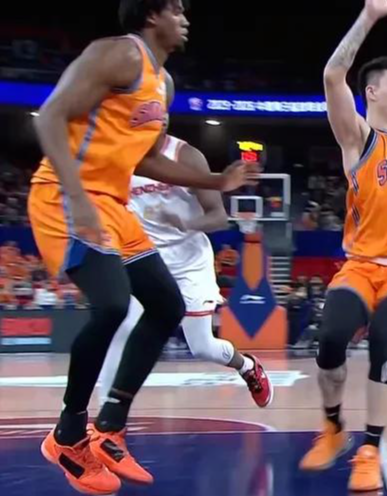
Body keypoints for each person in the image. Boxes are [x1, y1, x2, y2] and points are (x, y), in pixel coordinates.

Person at [29, 1, 253, 494]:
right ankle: (67, 435)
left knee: (166, 305)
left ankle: (109, 428)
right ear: (152, 16)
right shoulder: (117, 54)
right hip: (64, 195)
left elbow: (147, 159)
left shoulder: (162, 82)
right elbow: (49, 119)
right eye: (176, 9)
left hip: (112, 204)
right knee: (112, 306)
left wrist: (216, 179)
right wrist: (78, 199)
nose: (186, 18)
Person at [299, 0, 387, 492]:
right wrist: (369, 16)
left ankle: (370, 449)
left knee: (384, 339)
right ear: (372, 93)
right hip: (361, 264)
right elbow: (331, 75)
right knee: (330, 338)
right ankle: (333, 427)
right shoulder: (358, 138)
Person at [97, 135, 273, 410]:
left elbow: (218, 217)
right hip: (146, 258)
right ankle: (104, 417)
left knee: (201, 346)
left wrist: (186, 223)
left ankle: (247, 366)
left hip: (189, 262)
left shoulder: (186, 155)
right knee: (123, 327)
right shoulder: (122, 154)